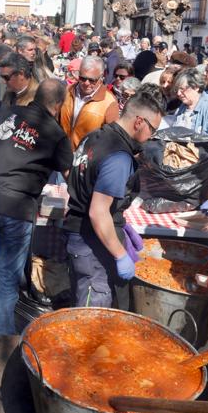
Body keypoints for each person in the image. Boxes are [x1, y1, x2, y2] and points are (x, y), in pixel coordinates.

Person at [0, 79, 72, 334]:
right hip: (16, 207)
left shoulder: (6, 113)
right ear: (58, 104)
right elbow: (68, 173)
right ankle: (1, 341)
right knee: (6, 279)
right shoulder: (56, 134)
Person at [63, 88, 165, 308]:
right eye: (153, 129)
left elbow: (73, 177)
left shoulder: (92, 137)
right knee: (92, 316)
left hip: (77, 235)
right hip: (92, 244)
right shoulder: (119, 156)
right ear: (139, 122)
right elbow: (98, 212)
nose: (151, 137)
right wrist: (120, 255)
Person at [59, 55, 120, 150]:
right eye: (82, 78)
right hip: (61, 153)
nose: (86, 83)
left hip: (85, 160)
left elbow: (111, 140)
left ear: (101, 77)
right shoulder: (67, 91)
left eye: (92, 80)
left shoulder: (109, 102)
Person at [171, 67, 208, 140]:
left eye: (182, 89)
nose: (178, 93)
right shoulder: (182, 107)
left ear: (196, 87)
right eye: (177, 89)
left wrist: (193, 142)